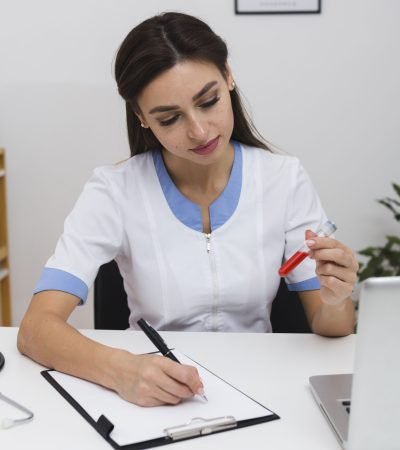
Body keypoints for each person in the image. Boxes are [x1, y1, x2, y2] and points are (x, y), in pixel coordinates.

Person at [17, 12, 357, 407]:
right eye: (170, 118)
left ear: (228, 76)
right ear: (142, 118)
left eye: (209, 101)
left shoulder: (283, 178)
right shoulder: (113, 190)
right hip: (156, 392)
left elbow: (333, 327)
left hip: (266, 390)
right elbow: (35, 329)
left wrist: (335, 299)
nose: (198, 131)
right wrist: (121, 369)